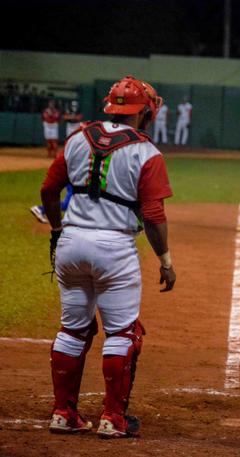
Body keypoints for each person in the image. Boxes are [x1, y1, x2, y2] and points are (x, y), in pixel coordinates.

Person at [40, 75, 176, 439]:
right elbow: (153, 216)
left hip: (71, 243)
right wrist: (165, 260)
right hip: (113, 249)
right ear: (144, 114)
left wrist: (57, 230)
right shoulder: (147, 152)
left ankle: (63, 414)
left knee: (73, 328)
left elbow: (49, 190)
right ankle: (113, 419)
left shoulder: (76, 137)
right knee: (122, 333)